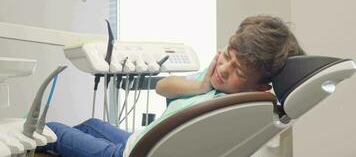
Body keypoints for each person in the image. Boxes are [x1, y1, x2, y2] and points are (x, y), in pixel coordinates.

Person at [37, 15, 305, 157]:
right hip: (137, 140)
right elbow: (163, 86)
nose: (223, 68)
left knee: (50, 130)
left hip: (130, 153)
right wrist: (200, 86)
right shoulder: (214, 81)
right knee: (91, 123)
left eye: (237, 70)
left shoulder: (230, 107)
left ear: (259, 88)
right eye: (226, 55)